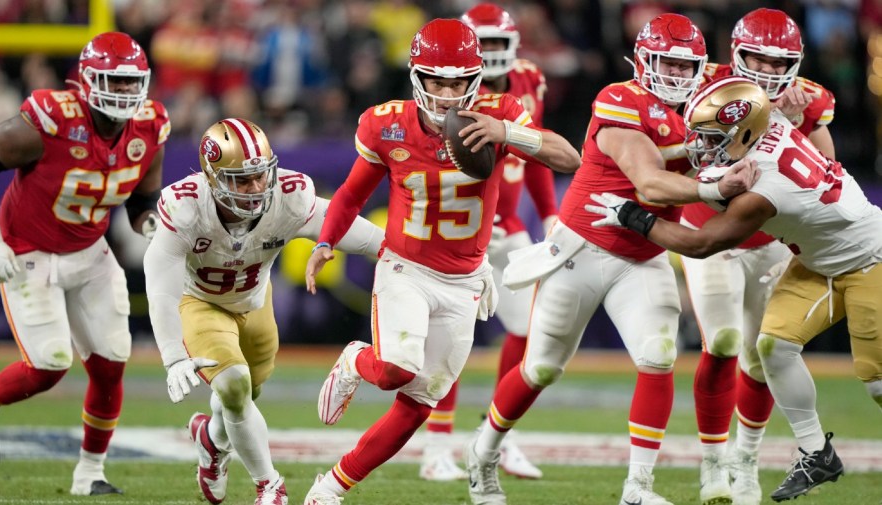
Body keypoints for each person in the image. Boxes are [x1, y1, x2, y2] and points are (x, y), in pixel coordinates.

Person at [464, 14, 760, 505]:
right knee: (541, 368)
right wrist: (714, 184)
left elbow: (755, 80)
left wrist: (787, 100)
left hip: (643, 255)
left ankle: (637, 488)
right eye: (665, 63)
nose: (676, 76)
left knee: (658, 355)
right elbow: (649, 182)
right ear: (643, 61)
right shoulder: (619, 99)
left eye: (686, 67)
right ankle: (483, 453)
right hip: (583, 249)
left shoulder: (710, 99)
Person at [301, 18, 581, 505]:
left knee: (417, 405)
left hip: (466, 279)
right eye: (437, 80)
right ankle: (354, 360)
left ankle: (331, 487)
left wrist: (508, 131)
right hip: (406, 269)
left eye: (457, 81)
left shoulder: (500, 111)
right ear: (417, 76)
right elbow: (350, 194)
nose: (448, 92)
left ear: (475, 78)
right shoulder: (385, 123)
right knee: (393, 370)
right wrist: (326, 242)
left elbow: (568, 158)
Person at [586, 75, 881, 503]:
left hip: (868, 260)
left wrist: (636, 218)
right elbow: (767, 110)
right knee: (774, 348)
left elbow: (703, 243)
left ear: (743, 133)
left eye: (711, 137)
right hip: (818, 261)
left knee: (875, 380)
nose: (702, 147)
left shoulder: (765, 187)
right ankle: (817, 453)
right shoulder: (772, 124)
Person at [142, 118, 384, 505]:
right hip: (202, 303)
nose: (255, 188)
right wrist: (173, 356)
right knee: (234, 387)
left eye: (260, 175)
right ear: (212, 177)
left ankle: (211, 440)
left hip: (255, 302)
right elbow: (160, 287)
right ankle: (269, 485)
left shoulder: (289, 195)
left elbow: (361, 234)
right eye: (241, 180)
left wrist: (421, 261)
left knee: (243, 396)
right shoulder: (186, 207)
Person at [0, 32, 168, 495]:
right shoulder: (53, 119)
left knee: (112, 361)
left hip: (89, 251)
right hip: (29, 249)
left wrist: (149, 224)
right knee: (48, 365)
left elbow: (143, 196)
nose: (125, 93)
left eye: (131, 83)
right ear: (87, 80)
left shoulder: (149, 126)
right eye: (114, 82)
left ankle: (90, 473)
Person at [681, 9, 838, 505]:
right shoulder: (705, 85)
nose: (769, 71)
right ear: (736, 53)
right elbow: (700, 162)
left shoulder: (811, 100)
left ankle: (746, 463)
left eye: (779, 62)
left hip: (770, 241)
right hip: (709, 233)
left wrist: (792, 125)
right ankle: (712, 463)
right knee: (723, 343)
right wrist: (772, 120)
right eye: (759, 59)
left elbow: (826, 175)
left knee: (759, 355)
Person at [417, 2, 557, 482]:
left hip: (509, 226)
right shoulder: (444, 90)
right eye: (486, 43)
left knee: (532, 332)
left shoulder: (530, 81)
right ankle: (436, 445)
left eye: (500, 43)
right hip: (456, 229)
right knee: (452, 336)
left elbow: (535, 154)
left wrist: (551, 213)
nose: (494, 53)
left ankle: (499, 438)